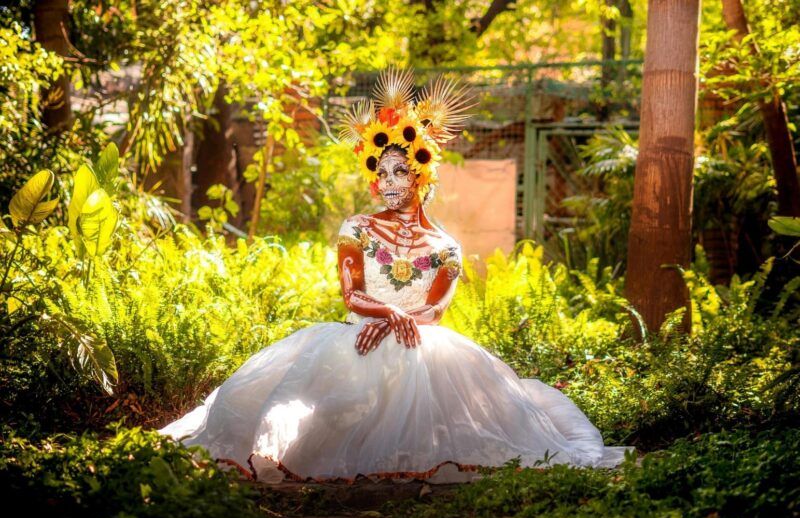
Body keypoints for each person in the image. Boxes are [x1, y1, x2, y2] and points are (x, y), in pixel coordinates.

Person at [158, 68, 633, 484]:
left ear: (421, 174)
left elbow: (436, 310)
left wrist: (399, 321)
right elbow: (351, 296)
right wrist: (387, 314)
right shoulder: (356, 229)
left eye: (399, 172)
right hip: (358, 336)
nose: (388, 183)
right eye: (381, 172)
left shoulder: (446, 247)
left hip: (421, 344)